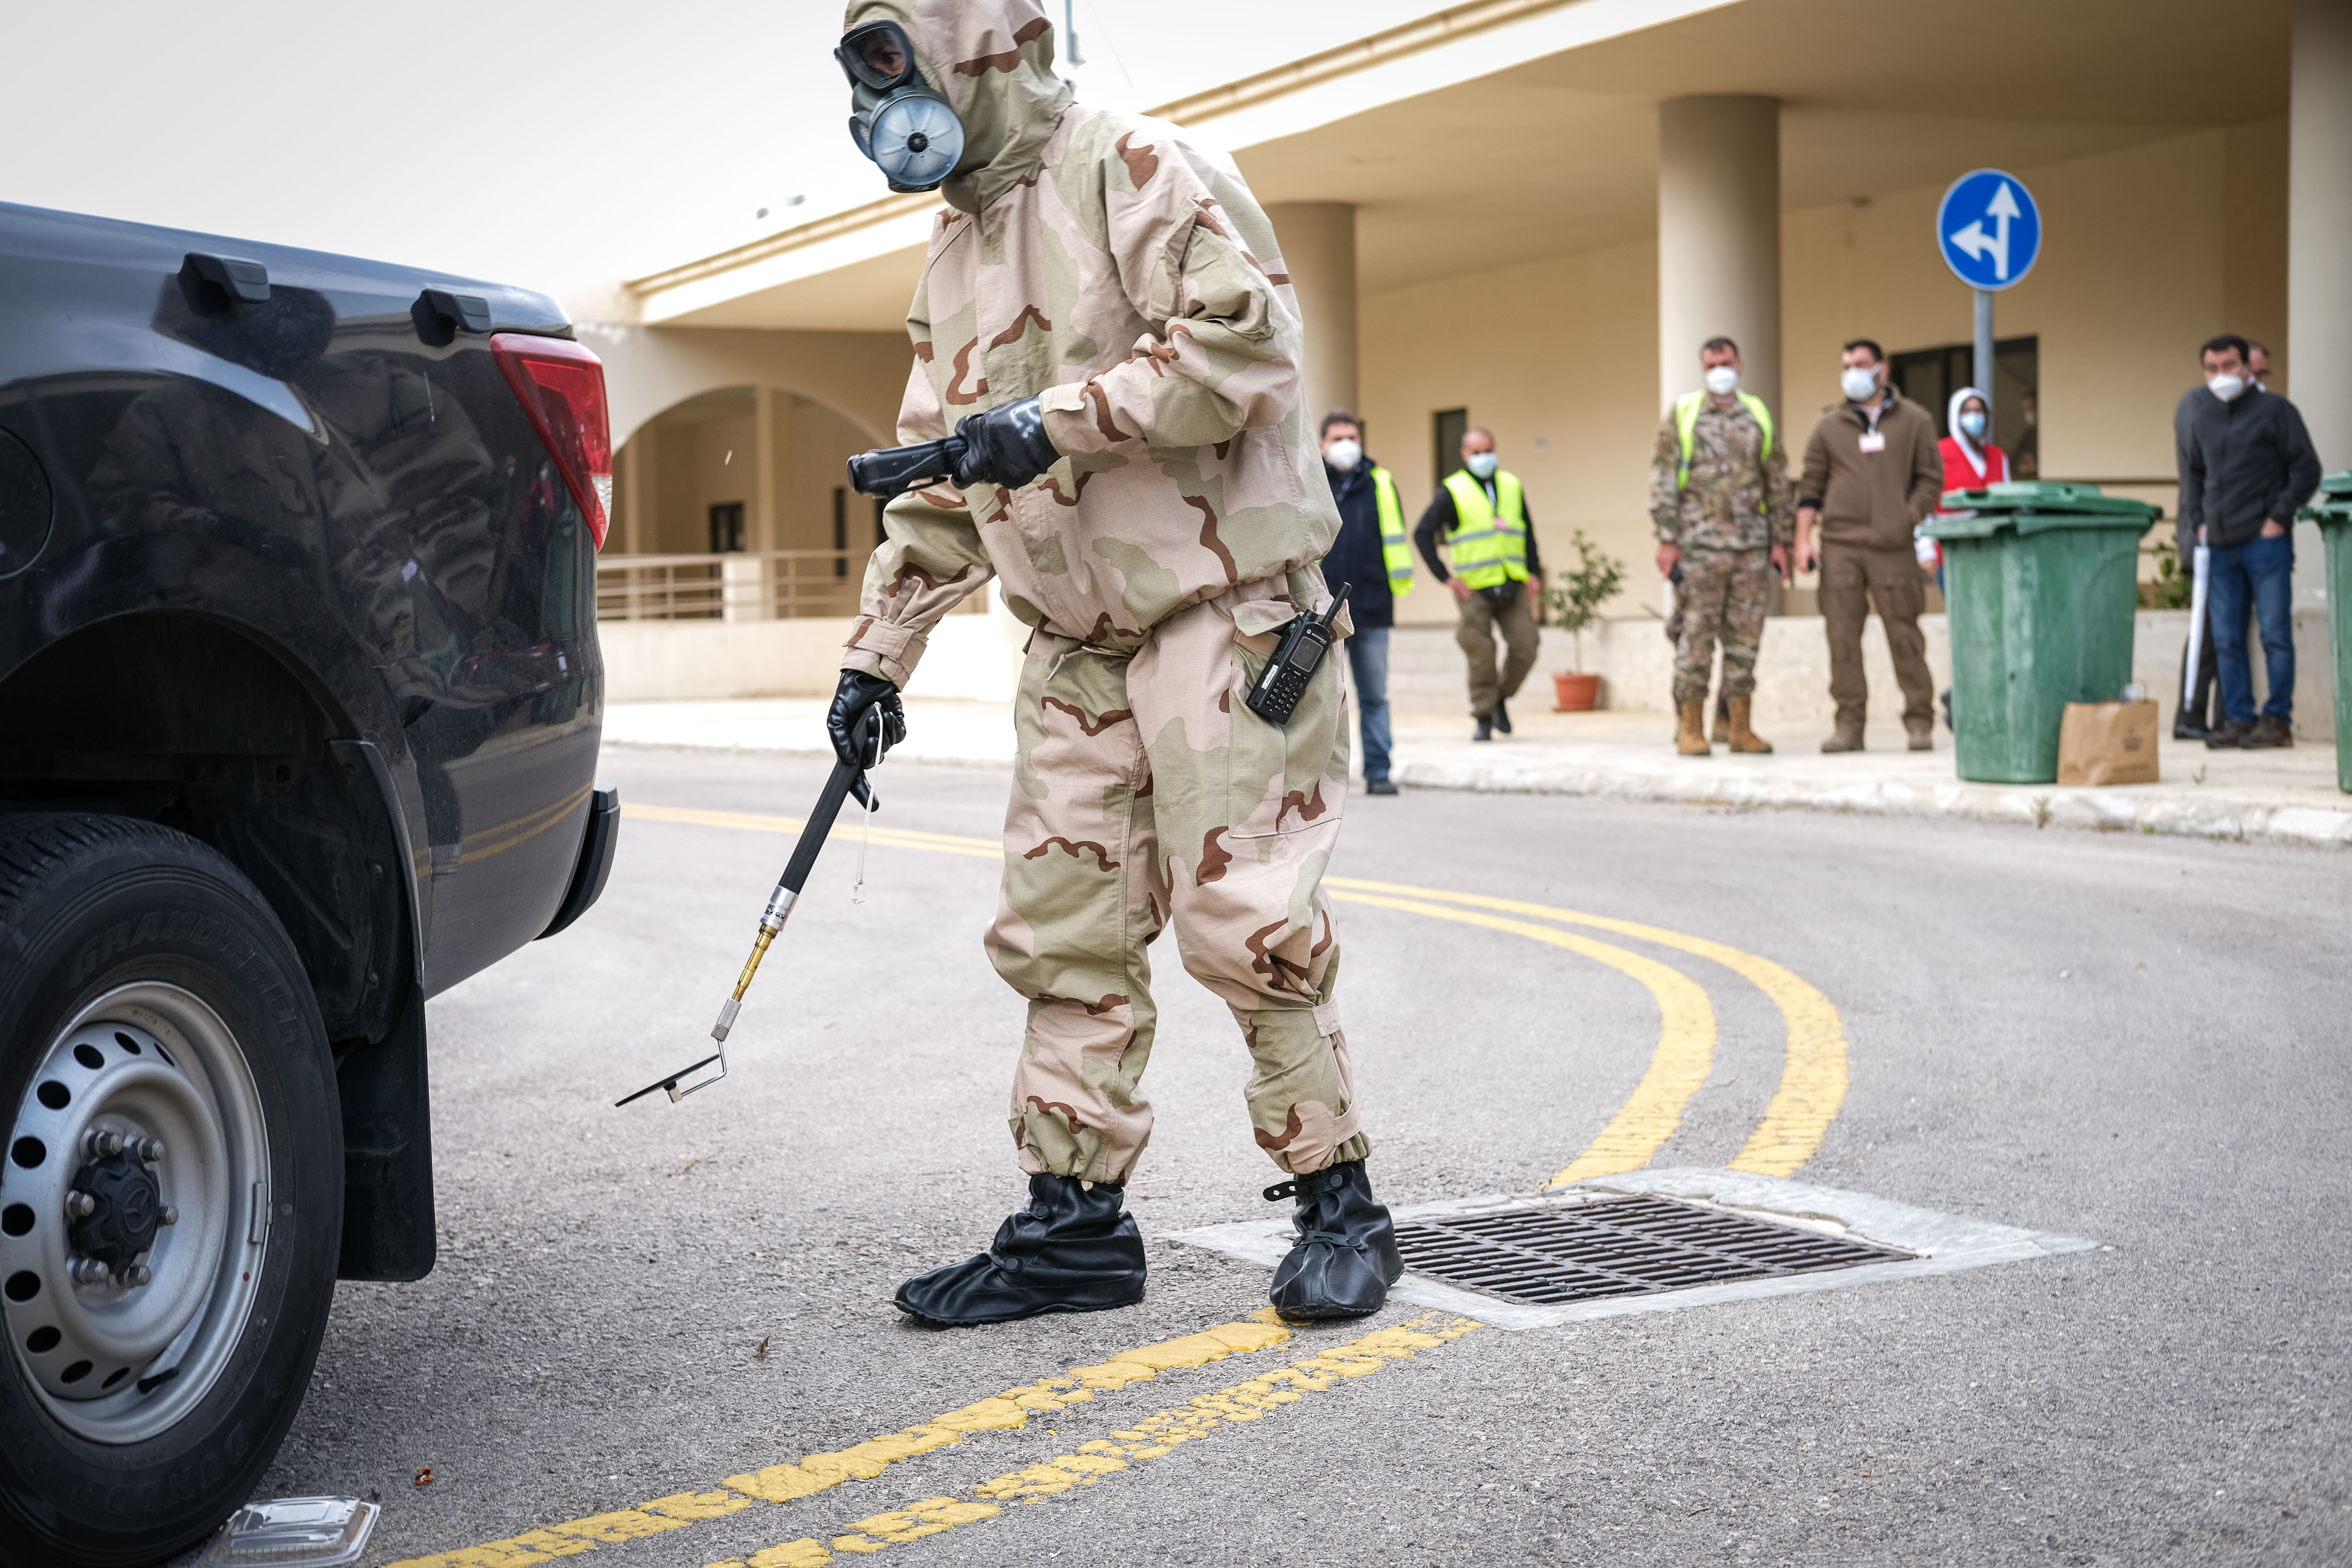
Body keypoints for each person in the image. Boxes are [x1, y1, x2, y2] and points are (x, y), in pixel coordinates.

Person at [824, 0, 1401, 1328]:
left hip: (1223, 609)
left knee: (1247, 921)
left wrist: (1056, 422)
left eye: (899, 50)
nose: (883, 94)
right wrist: (878, 660)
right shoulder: (954, 246)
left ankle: (1340, 1201)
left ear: (991, 46)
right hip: (1077, 644)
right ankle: (1074, 1225)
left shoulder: (1127, 163)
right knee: (1062, 935)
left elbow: (1243, 348)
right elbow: (936, 468)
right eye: (864, 63)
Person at [1793, 339, 1944, 752]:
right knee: (1842, 638)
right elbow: (1811, 485)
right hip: (1840, 545)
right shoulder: (1829, 425)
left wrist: (1906, 517)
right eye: (1846, 366)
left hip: (1893, 546)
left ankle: (1919, 721)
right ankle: (1849, 725)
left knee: (1905, 636)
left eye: (1860, 364)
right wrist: (1802, 540)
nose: (1852, 373)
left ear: (1882, 369)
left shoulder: (1915, 420)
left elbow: (1931, 478)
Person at [1647, 336, 1791, 756]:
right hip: (1700, 546)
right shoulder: (1685, 413)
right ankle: (1690, 726)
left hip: (1751, 546)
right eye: (1711, 365)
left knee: (1745, 638)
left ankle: (1739, 726)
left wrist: (1781, 540)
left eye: (1725, 363)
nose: (1719, 371)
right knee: (1696, 636)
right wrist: (1667, 538)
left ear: (1740, 364)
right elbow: (1662, 477)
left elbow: (1778, 479)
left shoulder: (1757, 413)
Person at [2174, 334, 2320, 748]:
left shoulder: (2275, 411)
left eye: (2229, 366)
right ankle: (2238, 718)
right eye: (2212, 369)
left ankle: (2276, 721)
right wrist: (2199, 522)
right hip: (2218, 546)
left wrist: (2279, 517)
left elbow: (2307, 469)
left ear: (2246, 366)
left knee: (2274, 633)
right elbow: (2195, 475)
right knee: (2226, 638)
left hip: (2265, 543)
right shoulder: (2202, 415)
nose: (2221, 375)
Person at [1414, 428, 1544, 740]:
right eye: (1476, 452)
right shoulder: (1452, 490)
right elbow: (1422, 533)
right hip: (1473, 587)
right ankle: (1484, 716)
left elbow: (1526, 529)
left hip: (1512, 580)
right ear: (1464, 454)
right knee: (1481, 652)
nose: (1483, 457)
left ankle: (1500, 697)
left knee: (1526, 646)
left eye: (1488, 450)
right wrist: (1446, 577)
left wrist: (1534, 571)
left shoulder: (1511, 484)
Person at [1317, 410, 1413, 794]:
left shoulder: (1380, 482)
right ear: (1322, 445)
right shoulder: (1310, 482)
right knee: (1320, 699)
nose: (1347, 445)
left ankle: (1378, 771)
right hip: (1319, 611)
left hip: (1371, 605)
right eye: (1338, 438)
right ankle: (1317, 780)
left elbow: (1394, 540)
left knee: (1374, 695)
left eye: (1352, 438)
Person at [1922, 385, 2010, 595]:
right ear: (1955, 415)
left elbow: (2008, 502)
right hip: (1952, 551)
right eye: (1967, 411)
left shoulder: (1997, 456)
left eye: (1979, 411)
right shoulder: (1939, 453)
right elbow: (1923, 506)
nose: (1974, 417)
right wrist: (1925, 549)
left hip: (1993, 550)